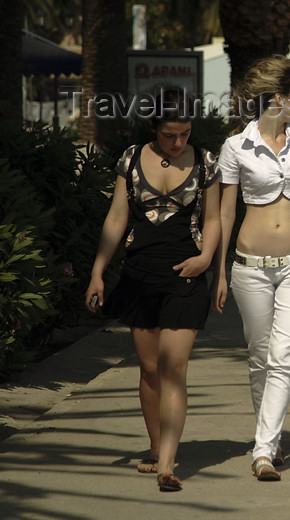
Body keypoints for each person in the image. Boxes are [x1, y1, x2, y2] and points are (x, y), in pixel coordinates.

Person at [85, 87, 221, 491]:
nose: (178, 142)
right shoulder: (130, 158)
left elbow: (213, 219)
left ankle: (167, 463)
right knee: (149, 369)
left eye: (185, 134)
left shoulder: (206, 163)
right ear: (153, 128)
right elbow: (116, 218)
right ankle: (154, 444)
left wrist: (206, 258)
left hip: (187, 275)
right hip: (140, 273)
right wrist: (97, 271)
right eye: (169, 135)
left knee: (173, 367)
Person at [212, 56, 290, 481]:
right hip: (249, 267)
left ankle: (263, 451)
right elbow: (225, 213)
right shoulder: (235, 147)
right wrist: (220, 271)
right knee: (260, 356)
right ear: (280, 98)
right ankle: (272, 437)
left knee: (283, 356)